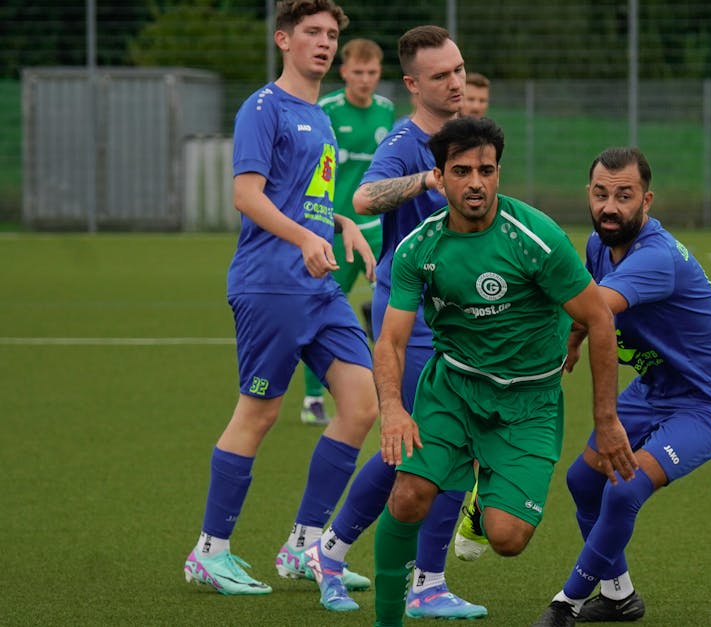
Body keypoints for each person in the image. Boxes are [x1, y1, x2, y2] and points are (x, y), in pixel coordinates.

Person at [370, 116, 639, 627]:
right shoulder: (419, 249)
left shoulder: (534, 238)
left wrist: (606, 420)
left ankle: (481, 496)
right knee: (408, 497)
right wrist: (392, 409)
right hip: (453, 388)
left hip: (528, 402)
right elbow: (391, 339)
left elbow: (599, 318)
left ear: (498, 173)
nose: (476, 182)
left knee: (507, 538)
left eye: (487, 170)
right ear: (440, 176)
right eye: (462, 170)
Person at [182, 0, 377, 611]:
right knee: (258, 415)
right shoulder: (262, 107)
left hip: (318, 285)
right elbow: (247, 195)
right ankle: (209, 552)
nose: (323, 43)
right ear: (284, 40)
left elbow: (306, 198)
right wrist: (304, 236)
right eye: (312, 33)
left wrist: (340, 220)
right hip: (271, 282)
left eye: (331, 35)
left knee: (363, 404)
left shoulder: (319, 117)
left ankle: (304, 542)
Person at [304, 25, 487, 618]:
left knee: (459, 444)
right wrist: (427, 179)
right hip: (408, 319)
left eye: (458, 70)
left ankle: (427, 582)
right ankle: (331, 553)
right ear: (412, 84)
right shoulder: (408, 141)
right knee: (411, 446)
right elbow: (363, 199)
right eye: (441, 75)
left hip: (460, 316)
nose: (456, 82)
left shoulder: (470, 138)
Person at [531, 147, 711, 627]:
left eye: (624, 196)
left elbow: (595, 307)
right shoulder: (598, 244)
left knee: (624, 489)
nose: (610, 207)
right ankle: (618, 597)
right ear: (588, 195)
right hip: (658, 387)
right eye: (601, 194)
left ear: (646, 201)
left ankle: (565, 605)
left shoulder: (656, 257)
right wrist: (571, 340)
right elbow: (588, 305)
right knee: (583, 481)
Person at [292, 38, 395, 426]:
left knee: (396, 303)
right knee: (320, 306)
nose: (365, 80)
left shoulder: (386, 110)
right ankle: (313, 398)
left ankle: (392, 390)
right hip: (336, 228)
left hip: (378, 228)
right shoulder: (328, 109)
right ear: (344, 72)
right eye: (358, 72)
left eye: (372, 73)